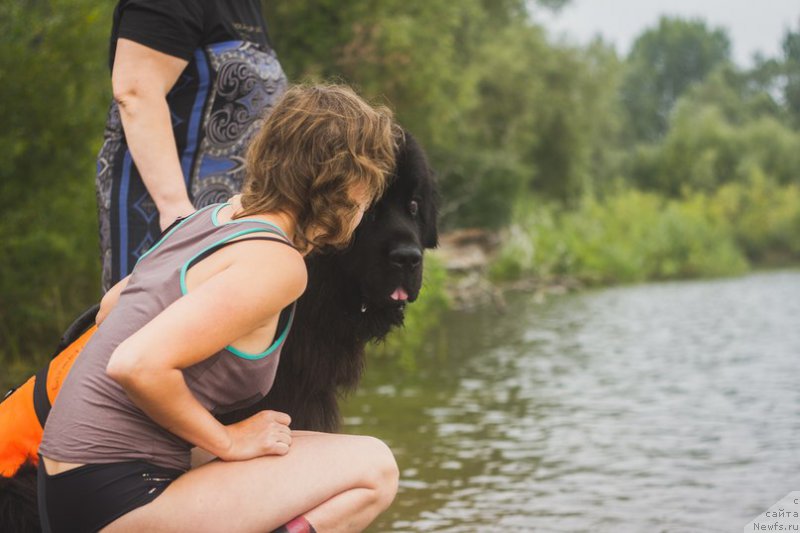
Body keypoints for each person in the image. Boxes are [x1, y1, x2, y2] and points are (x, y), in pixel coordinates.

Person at [39, 85, 400, 533]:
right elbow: (136, 364)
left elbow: (110, 309)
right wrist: (227, 441)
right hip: (119, 495)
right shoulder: (276, 263)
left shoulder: (211, 220)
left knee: (289, 449)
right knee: (374, 468)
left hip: (67, 484)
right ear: (348, 183)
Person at [97, 0, 288, 292]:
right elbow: (136, 91)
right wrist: (177, 214)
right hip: (170, 216)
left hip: (227, 220)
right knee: (152, 329)